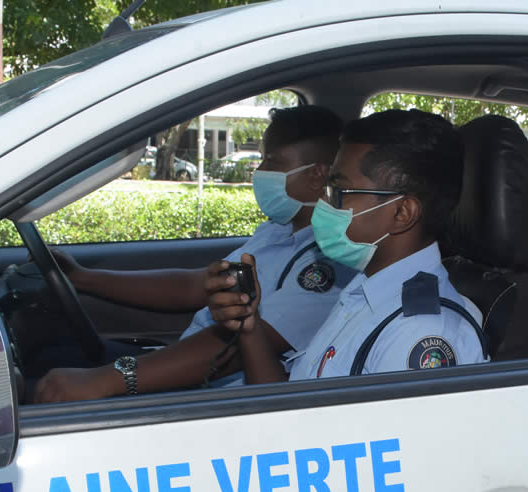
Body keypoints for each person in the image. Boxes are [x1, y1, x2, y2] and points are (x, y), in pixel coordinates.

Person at [33, 104, 353, 402]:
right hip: (183, 374)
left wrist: (109, 379)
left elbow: (235, 347)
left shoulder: (329, 264)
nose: (260, 171)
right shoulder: (277, 232)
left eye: (273, 162)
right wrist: (83, 278)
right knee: (45, 357)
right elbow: (192, 286)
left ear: (317, 176)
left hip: (212, 397)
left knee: (40, 383)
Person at [207, 109, 486, 382]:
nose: (323, 203)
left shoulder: (418, 331)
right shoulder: (364, 289)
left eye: (339, 193)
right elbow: (296, 402)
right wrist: (250, 326)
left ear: (402, 213)